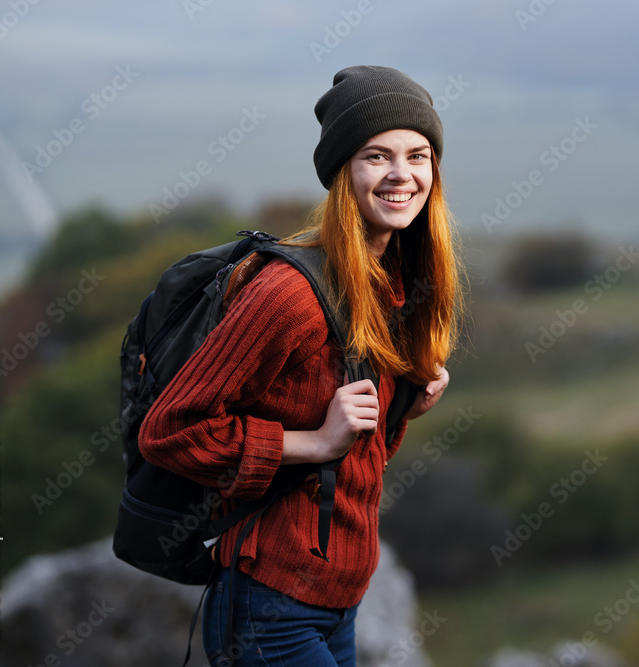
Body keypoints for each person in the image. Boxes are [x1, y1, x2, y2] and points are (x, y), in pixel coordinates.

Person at [139, 65, 464, 666]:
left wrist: (401, 409)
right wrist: (313, 442)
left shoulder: (388, 284)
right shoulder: (289, 292)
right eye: (377, 156)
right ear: (343, 173)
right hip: (268, 608)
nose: (403, 175)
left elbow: (355, 460)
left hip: (336, 603)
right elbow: (170, 431)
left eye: (418, 156)